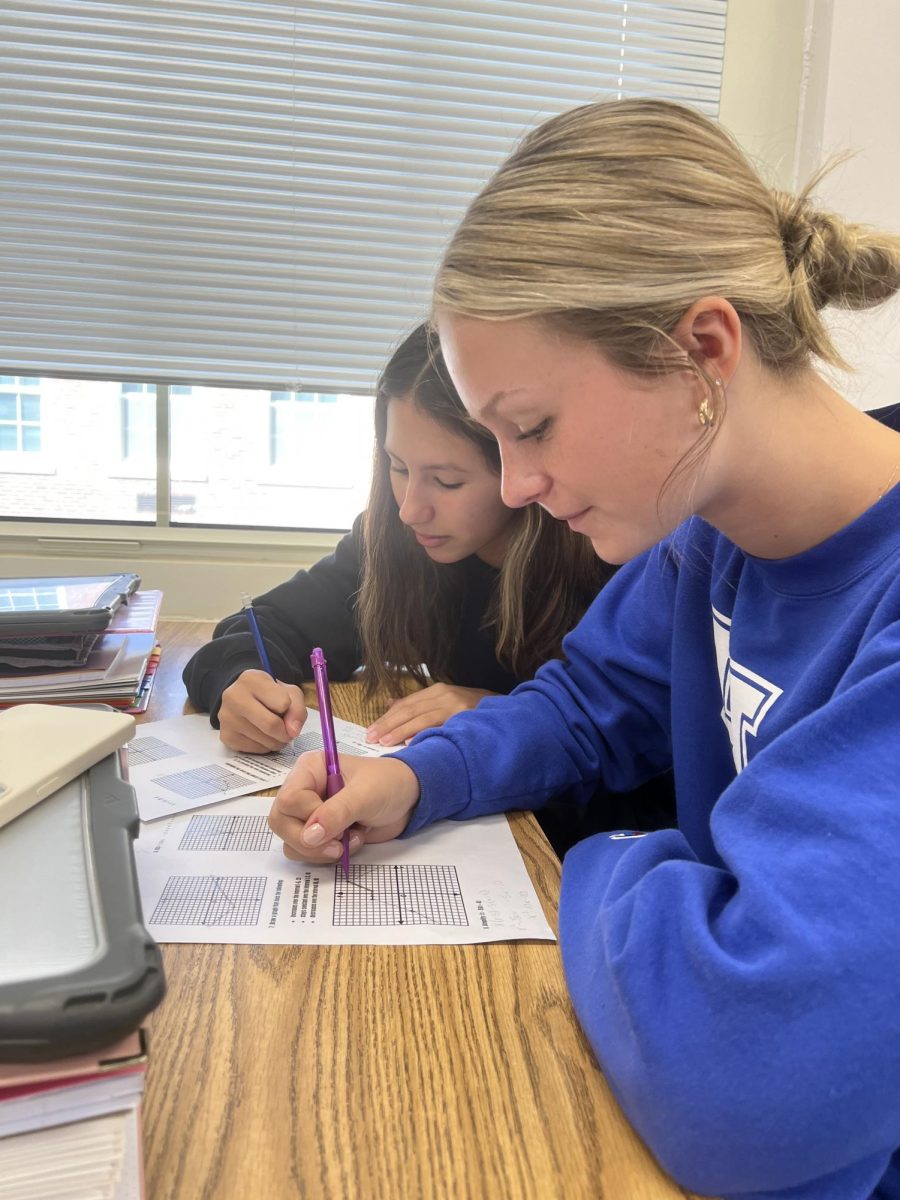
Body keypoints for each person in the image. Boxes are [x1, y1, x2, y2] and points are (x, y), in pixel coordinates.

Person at [269, 99, 900, 1200]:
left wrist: (610, 863)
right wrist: (414, 776)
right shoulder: (709, 539)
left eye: (534, 427)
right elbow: (584, 702)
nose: (514, 487)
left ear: (702, 350)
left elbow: (750, 1076)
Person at [183, 322, 607, 753]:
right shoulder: (398, 537)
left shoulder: (607, 555)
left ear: (521, 469)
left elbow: (642, 741)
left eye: (446, 481)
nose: (409, 510)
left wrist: (517, 716)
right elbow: (263, 627)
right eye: (399, 467)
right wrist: (239, 681)